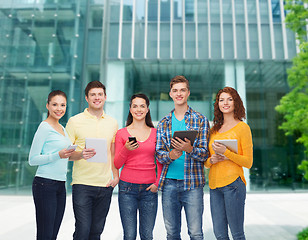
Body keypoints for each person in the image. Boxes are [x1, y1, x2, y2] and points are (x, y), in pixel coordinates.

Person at [156, 75, 210, 240]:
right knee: (172, 234)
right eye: (175, 91)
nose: (179, 94)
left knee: (195, 233)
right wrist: (170, 155)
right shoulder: (163, 123)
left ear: (188, 93)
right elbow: (159, 154)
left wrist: (190, 149)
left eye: (182, 90)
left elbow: (205, 154)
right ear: (171, 94)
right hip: (169, 184)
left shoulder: (200, 120)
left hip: (193, 184)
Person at [66, 80, 119, 240]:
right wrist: (81, 154)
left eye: (100, 94)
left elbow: (113, 152)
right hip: (82, 184)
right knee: (82, 230)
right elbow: (67, 154)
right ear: (87, 98)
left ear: (105, 97)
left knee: (96, 232)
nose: (97, 98)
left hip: (105, 185)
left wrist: (116, 176)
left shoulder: (112, 123)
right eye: (93, 95)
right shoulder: (74, 121)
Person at [204, 87, 253, 240]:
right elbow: (205, 162)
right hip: (214, 187)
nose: (225, 103)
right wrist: (211, 160)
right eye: (221, 100)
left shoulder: (243, 128)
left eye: (229, 99)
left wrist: (227, 153)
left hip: (234, 185)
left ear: (236, 102)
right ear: (217, 104)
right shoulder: (213, 131)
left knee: (237, 234)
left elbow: (248, 162)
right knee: (219, 235)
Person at [114, 93, 163, 240]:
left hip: (150, 189)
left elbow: (160, 161)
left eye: (142, 106)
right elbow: (117, 164)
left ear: (147, 109)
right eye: (135, 106)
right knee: (129, 235)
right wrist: (126, 149)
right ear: (130, 109)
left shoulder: (156, 133)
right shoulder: (121, 134)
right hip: (127, 189)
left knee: (147, 235)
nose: (138, 109)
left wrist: (157, 183)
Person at [29, 90, 75, 240]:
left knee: (53, 234)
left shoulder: (63, 129)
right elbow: (33, 159)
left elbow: (65, 155)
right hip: (44, 184)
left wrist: (81, 153)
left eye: (62, 105)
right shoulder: (44, 127)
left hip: (60, 185)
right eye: (55, 104)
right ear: (47, 105)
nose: (59, 108)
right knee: (45, 235)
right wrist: (57, 155)